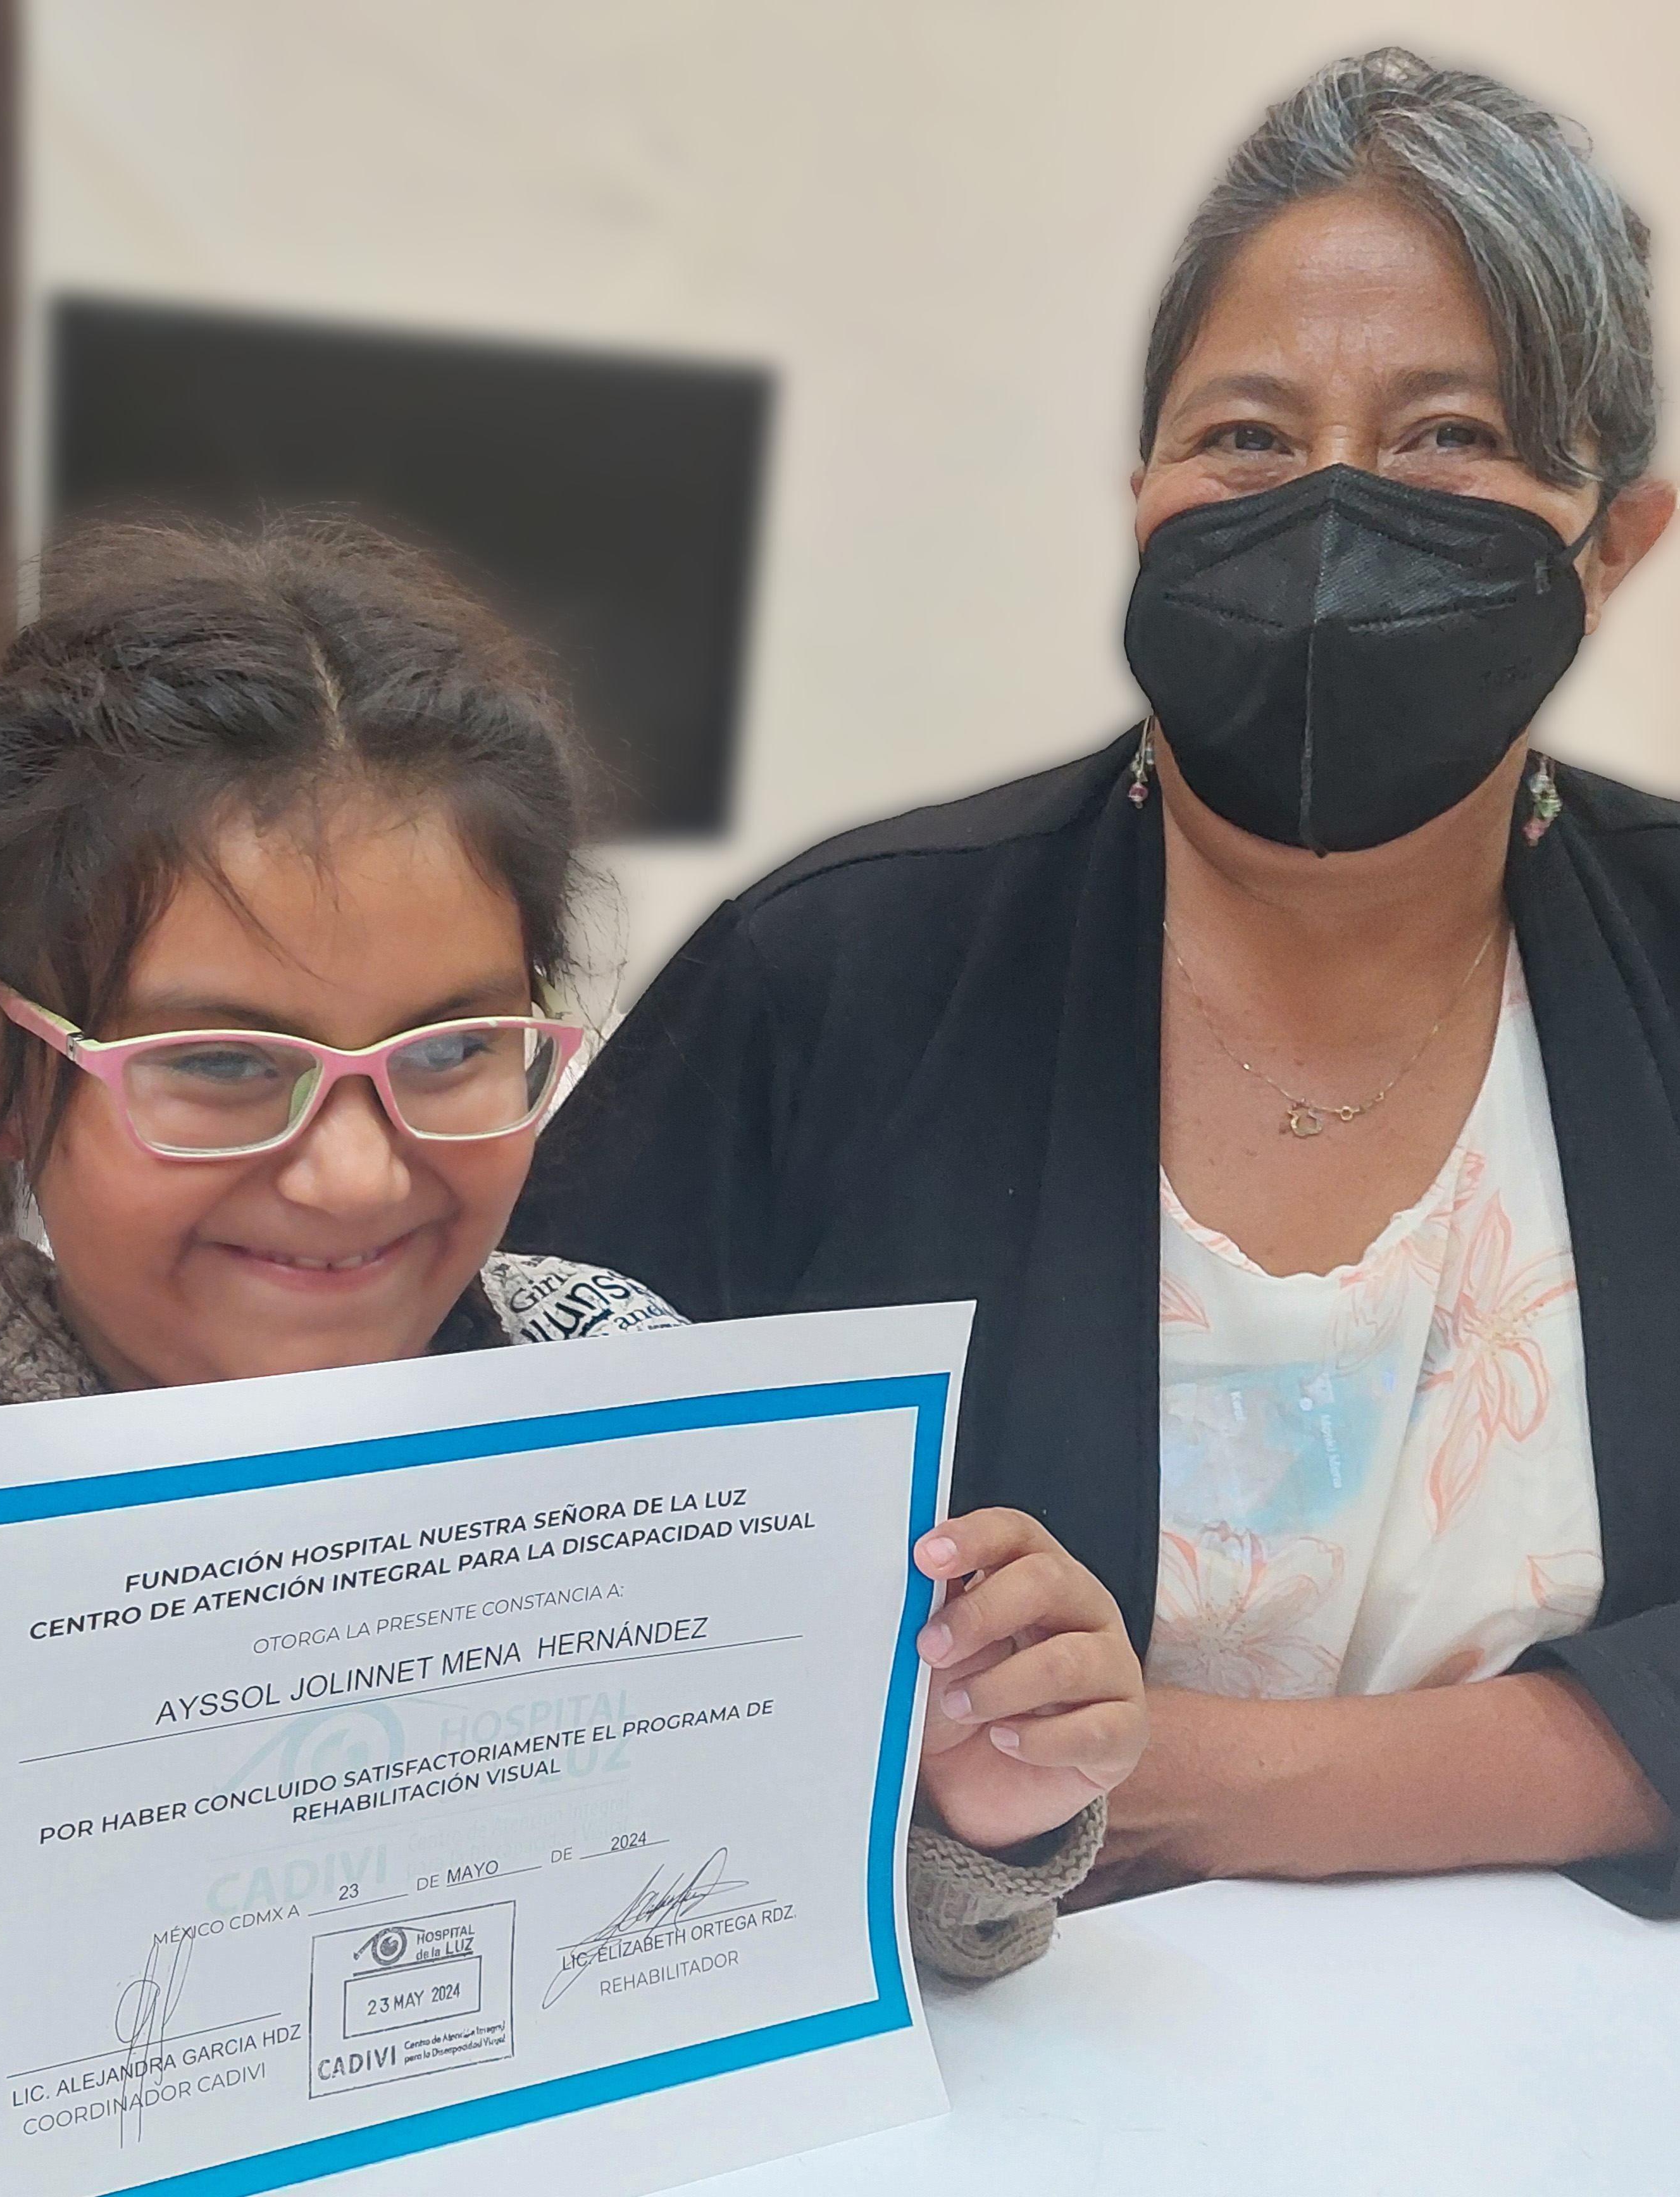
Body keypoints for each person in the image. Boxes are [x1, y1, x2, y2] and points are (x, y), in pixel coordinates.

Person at [0, 523, 1146, 2197]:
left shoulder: (608, 1385)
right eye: (225, 1065)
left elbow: (830, 1927)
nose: (355, 1175)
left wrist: (981, 1792)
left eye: (453, 1050)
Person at [513, 49, 1680, 1917]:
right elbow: (516, 1553)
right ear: (1138, 492)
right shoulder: (828, 982)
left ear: (1612, 537)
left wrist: (1199, 1780)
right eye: (1245, 437)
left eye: (1444, 436)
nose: (1327, 505)